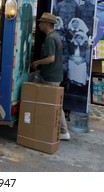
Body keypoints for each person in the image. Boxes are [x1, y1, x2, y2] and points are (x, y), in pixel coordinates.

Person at [29, 12, 70, 140]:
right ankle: (61, 130)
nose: (39, 24)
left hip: (50, 76)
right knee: (55, 103)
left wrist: (37, 62)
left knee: (54, 104)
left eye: (41, 22)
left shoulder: (50, 38)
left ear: (47, 24)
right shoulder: (55, 36)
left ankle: (63, 131)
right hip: (53, 75)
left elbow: (51, 58)